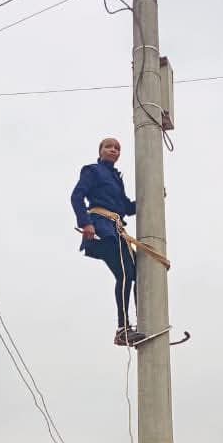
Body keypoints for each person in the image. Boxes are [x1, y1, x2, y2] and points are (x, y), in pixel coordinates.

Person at [70, 137, 145, 347]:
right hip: (102, 227)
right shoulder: (93, 171)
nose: (113, 150)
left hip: (115, 229)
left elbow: (126, 207)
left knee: (135, 271)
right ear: (100, 150)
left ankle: (140, 321)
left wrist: (153, 196)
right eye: (108, 146)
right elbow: (77, 196)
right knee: (125, 272)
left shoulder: (115, 178)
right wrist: (86, 223)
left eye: (117, 148)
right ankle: (123, 329)